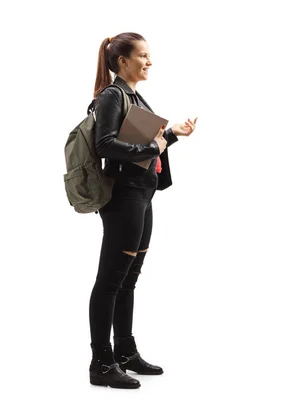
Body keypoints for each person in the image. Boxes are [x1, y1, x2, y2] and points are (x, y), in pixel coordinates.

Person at [87, 32, 197, 389]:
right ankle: (101, 362)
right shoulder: (111, 96)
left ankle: (125, 352)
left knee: (129, 278)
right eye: (143, 55)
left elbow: (147, 144)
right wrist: (156, 141)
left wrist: (173, 135)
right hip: (124, 199)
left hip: (143, 195)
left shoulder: (134, 96)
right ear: (123, 61)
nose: (149, 61)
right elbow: (106, 145)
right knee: (111, 280)